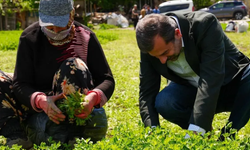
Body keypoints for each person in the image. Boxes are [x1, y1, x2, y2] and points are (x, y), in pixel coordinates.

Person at [0, 0, 115, 148]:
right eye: (49, 26)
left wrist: (93, 97)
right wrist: (40, 100)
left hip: (71, 108)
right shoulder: (29, 38)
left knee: (73, 65)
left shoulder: (86, 37)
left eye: (59, 25)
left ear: (71, 15)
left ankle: (73, 133)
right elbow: (20, 83)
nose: (54, 31)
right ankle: (17, 136)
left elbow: (107, 79)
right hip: (39, 106)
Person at [136, 12, 250, 140]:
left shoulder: (204, 24)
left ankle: (227, 136)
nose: (162, 60)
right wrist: (152, 131)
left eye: (165, 52)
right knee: (165, 101)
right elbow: (147, 91)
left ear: (177, 34)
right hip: (192, 91)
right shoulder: (151, 45)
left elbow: (211, 78)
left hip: (231, 85)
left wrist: (197, 128)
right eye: (156, 57)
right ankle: (204, 130)